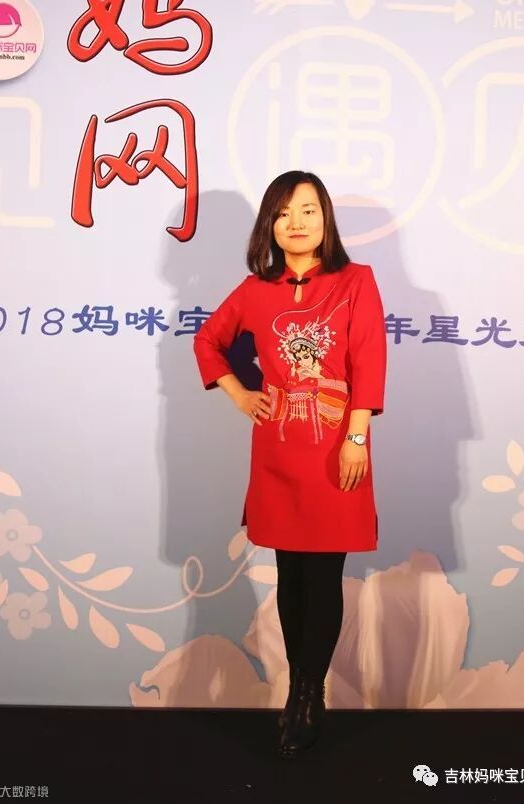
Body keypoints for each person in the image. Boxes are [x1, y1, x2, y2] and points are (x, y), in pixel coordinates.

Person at [193, 170, 387, 757]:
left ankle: (306, 693)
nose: (296, 223)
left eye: (307, 210)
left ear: (326, 219)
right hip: (278, 451)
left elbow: (368, 358)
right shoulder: (256, 290)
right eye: (282, 213)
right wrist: (239, 393)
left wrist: (357, 437)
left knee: (323, 577)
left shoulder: (355, 281)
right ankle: (302, 691)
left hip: (336, 449)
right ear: (269, 226)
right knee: (290, 575)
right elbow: (208, 341)